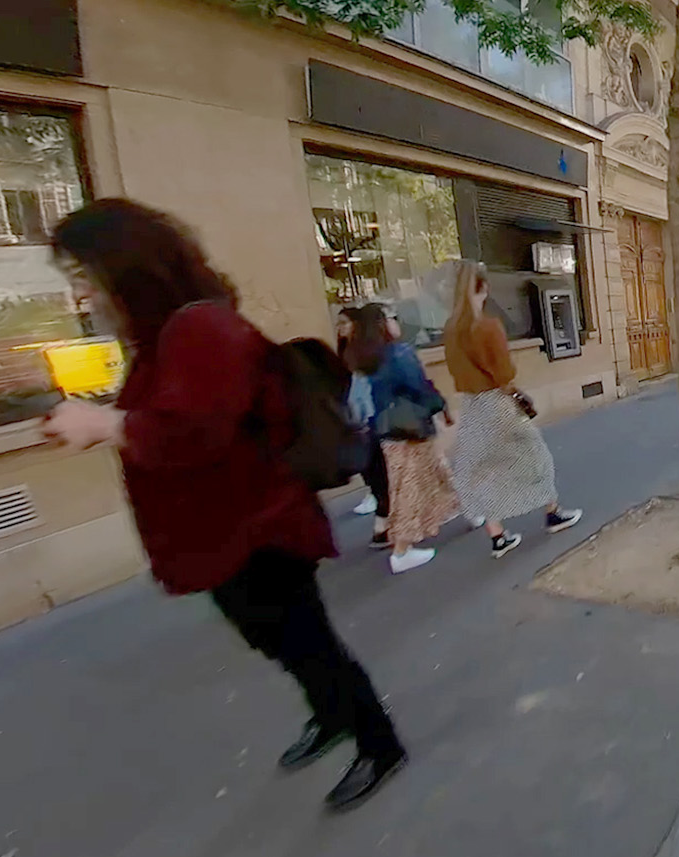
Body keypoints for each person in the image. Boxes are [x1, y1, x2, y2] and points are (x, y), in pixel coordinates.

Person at [41, 198, 407, 811]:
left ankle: (378, 743)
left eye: (83, 274)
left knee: (308, 644)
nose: (80, 294)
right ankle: (330, 714)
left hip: (259, 531)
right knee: (278, 640)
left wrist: (106, 425)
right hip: (228, 535)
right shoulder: (171, 335)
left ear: (123, 267)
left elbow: (192, 432)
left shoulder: (198, 330)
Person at [441, 260, 582, 556]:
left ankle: (498, 536)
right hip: (497, 402)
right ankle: (552, 512)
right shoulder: (488, 327)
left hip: (471, 405)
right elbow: (504, 373)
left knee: (484, 470)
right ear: (484, 287)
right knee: (534, 457)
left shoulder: (451, 329)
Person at [347, 304, 461, 574]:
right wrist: (440, 407)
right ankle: (402, 550)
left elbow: (358, 401)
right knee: (410, 486)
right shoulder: (399, 353)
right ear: (382, 324)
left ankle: (465, 510)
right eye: (391, 317)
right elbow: (419, 386)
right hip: (411, 428)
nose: (396, 322)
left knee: (432, 472)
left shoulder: (363, 359)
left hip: (386, 430)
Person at [342, 307, 391, 522]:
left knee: (385, 478)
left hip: (375, 421)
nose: (341, 328)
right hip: (380, 422)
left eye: (344, 323)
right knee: (386, 478)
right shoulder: (360, 352)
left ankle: (384, 529)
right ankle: (394, 538)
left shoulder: (370, 352)